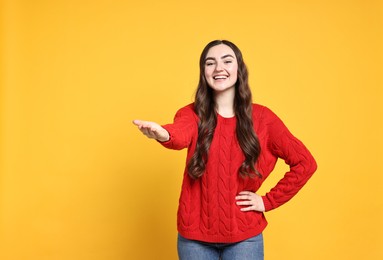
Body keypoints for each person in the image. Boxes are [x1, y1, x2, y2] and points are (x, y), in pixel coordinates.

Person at [132, 40, 317, 260]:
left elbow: (305, 163)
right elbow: (180, 133)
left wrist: (267, 201)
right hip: (194, 240)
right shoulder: (190, 113)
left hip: (245, 238)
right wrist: (164, 134)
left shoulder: (264, 118)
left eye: (227, 61)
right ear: (204, 73)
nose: (219, 68)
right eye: (210, 63)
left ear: (239, 68)